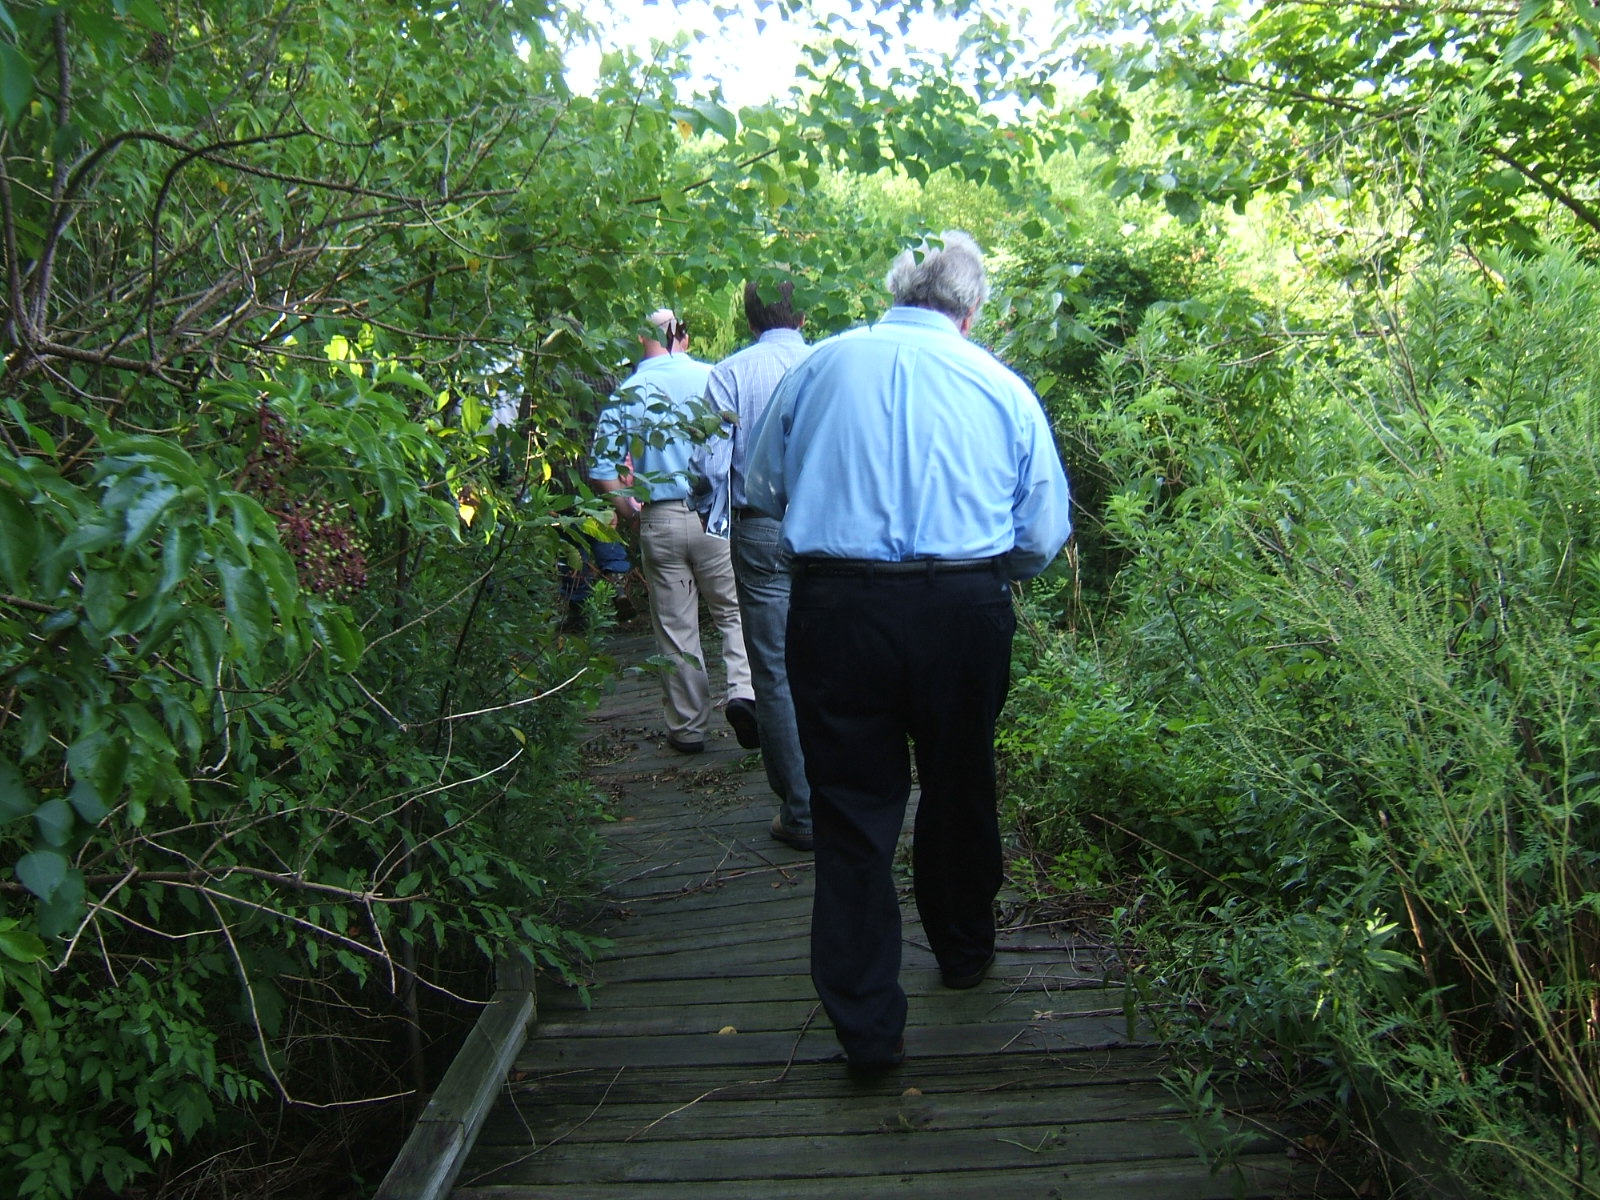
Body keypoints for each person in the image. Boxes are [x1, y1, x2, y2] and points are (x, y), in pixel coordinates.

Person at [743, 232, 1072, 1072]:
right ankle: (962, 952)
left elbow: (760, 488)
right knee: (960, 781)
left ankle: (866, 1029)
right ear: (973, 309)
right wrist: (983, 572)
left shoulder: (819, 367)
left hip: (838, 608)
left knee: (851, 810)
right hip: (962, 607)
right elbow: (1041, 533)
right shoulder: (1000, 385)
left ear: (895, 291)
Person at [590, 309, 754, 753]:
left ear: (640, 339)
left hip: (660, 518)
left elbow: (602, 470)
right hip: (715, 515)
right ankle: (745, 694)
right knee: (734, 612)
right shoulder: (714, 378)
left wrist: (630, 511)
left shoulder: (627, 392)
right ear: (683, 335)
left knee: (676, 626)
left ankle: (687, 728)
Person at [692, 277, 814, 851]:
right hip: (827, 530)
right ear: (805, 316)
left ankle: (802, 811)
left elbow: (708, 465)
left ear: (749, 318)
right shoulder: (827, 364)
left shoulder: (730, 373)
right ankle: (844, 793)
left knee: (774, 668)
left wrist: (709, 515)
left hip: (760, 528)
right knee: (832, 661)